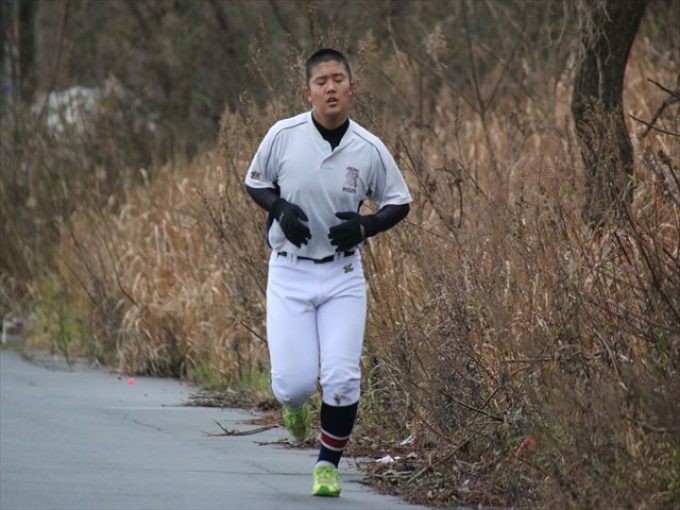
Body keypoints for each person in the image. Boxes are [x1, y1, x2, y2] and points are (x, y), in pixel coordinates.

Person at [244, 48, 412, 497]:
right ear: (308, 92)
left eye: (338, 79)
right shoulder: (283, 135)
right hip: (290, 272)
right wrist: (279, 208)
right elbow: (255, 181)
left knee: (341, 378)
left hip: (342, 275)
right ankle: (294, 406)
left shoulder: (369, 148)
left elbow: (400, 201)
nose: (331, 88)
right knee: (293, 384)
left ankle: (327, 466)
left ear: (351, 87)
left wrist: (367, 225)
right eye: (321, 81)